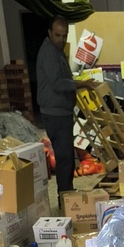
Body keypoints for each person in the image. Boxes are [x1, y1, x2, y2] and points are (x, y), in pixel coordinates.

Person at [36, 15, 81, 195]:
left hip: (62, 112)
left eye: (64, 36)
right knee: (64, 158)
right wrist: (80, 84)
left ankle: (67, 194)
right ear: (49, 33)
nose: (61, 39)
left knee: (67, 156)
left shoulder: (57, 50)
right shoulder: (49, 53)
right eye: (57, 35)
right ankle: (65, 197)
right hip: (55, 114)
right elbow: (58, 83)